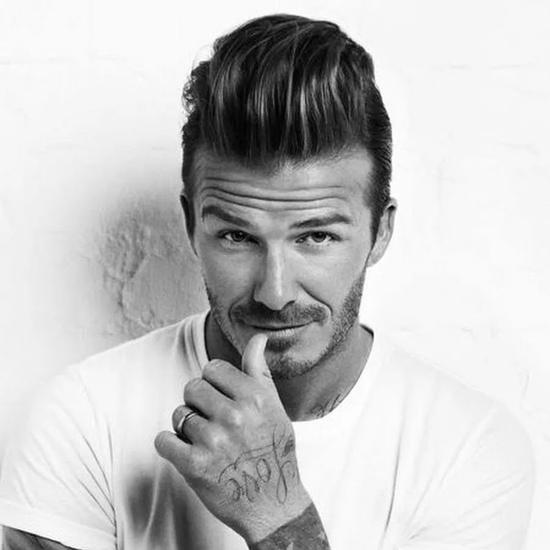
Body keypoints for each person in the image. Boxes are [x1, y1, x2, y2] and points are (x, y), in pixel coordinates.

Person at [0, 13, 534, 550]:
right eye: (237, 236)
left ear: (380, 232)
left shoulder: (470, 449)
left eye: (317, 237)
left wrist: (278, 517)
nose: (275, 294)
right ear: (191, 226)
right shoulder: (83, 417)